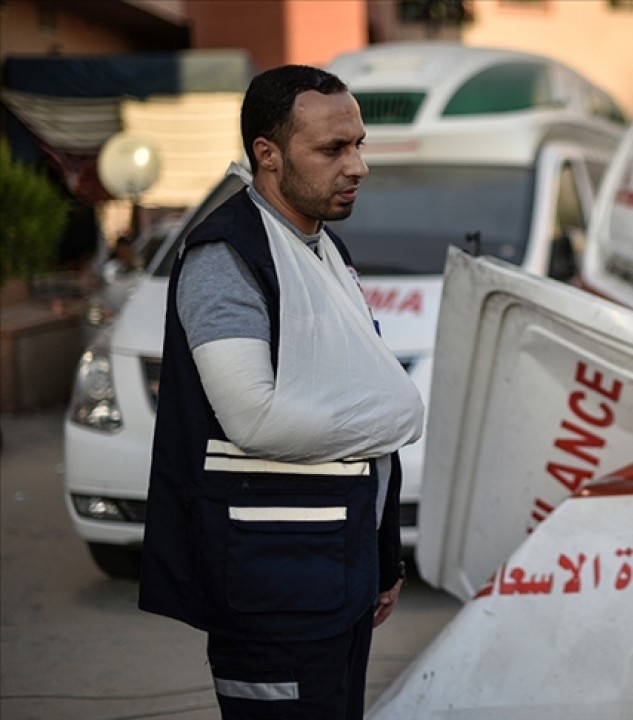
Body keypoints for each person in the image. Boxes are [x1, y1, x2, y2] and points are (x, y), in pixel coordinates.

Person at [138, 64, 424, 719]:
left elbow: (354, 402)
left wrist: (383, 558)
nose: (357, 167)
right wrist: (399, 416)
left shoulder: (326, 253)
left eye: (359, 146)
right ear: (267, 155)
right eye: (332, 149)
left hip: (336, 573)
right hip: (273, 586)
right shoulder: (227, 259)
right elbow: (255, 418)